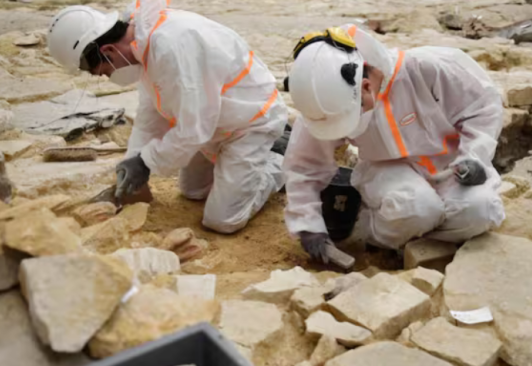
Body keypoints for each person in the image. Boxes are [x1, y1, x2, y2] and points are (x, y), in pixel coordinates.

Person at [46, 1, 287, 234]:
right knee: (193, 191)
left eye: (104, 71)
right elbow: (151, 112)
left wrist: (146, 162)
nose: (106, 77)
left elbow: (194, 130)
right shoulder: (142, 44)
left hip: (249, 121)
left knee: (222, 220)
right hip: (213, 121)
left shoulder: (172, 47)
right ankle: (241, 166)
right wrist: (133, 159)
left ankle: (278, 161)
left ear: (108, 50)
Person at [284, 25, 505, 263]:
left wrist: (474, 156)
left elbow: (483, 108)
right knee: (416, 208)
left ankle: (412, 235)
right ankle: (379, 233)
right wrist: (308, 224)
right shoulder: (323, 100)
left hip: (452, 166)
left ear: (366, 87)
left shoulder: (428, 68)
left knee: (480, 211)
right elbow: (304, 164)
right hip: (385, 171)